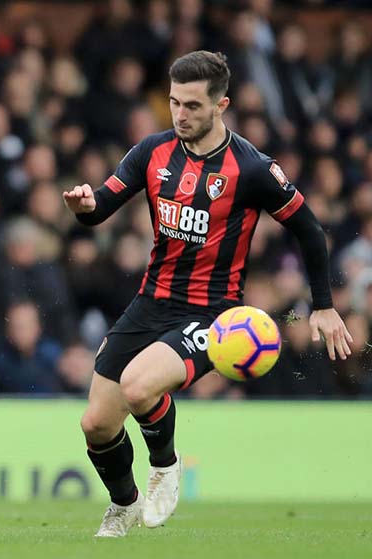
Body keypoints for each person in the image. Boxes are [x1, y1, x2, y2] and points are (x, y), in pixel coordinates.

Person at [62, 50, 353, 538]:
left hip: (212, 313)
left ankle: (166, 466)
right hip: (150, 302)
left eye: (193, 106)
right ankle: (124, 504)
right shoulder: (152, 152)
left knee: (138, 387)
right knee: (95, 424)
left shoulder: (253, 168)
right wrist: (86, 206)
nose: (180, 114)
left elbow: (309, 229)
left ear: (221, 106)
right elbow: (101, 207)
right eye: (175, 103)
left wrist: (323, 304)